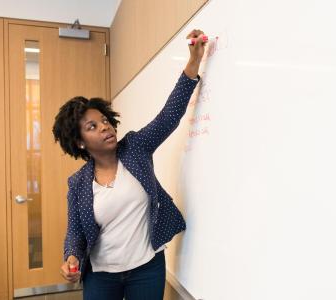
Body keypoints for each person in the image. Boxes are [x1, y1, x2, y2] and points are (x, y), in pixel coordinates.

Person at [52, 29, 206, 300]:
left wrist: (193, 62)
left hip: (147, 267)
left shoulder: (135, 147)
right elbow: (75, 231)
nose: (105, 127)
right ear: (79, 142)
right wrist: (72, 257)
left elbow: (169, 116)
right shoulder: (77, 183)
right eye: (92, 126)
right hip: (100, 275)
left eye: (105, 120)